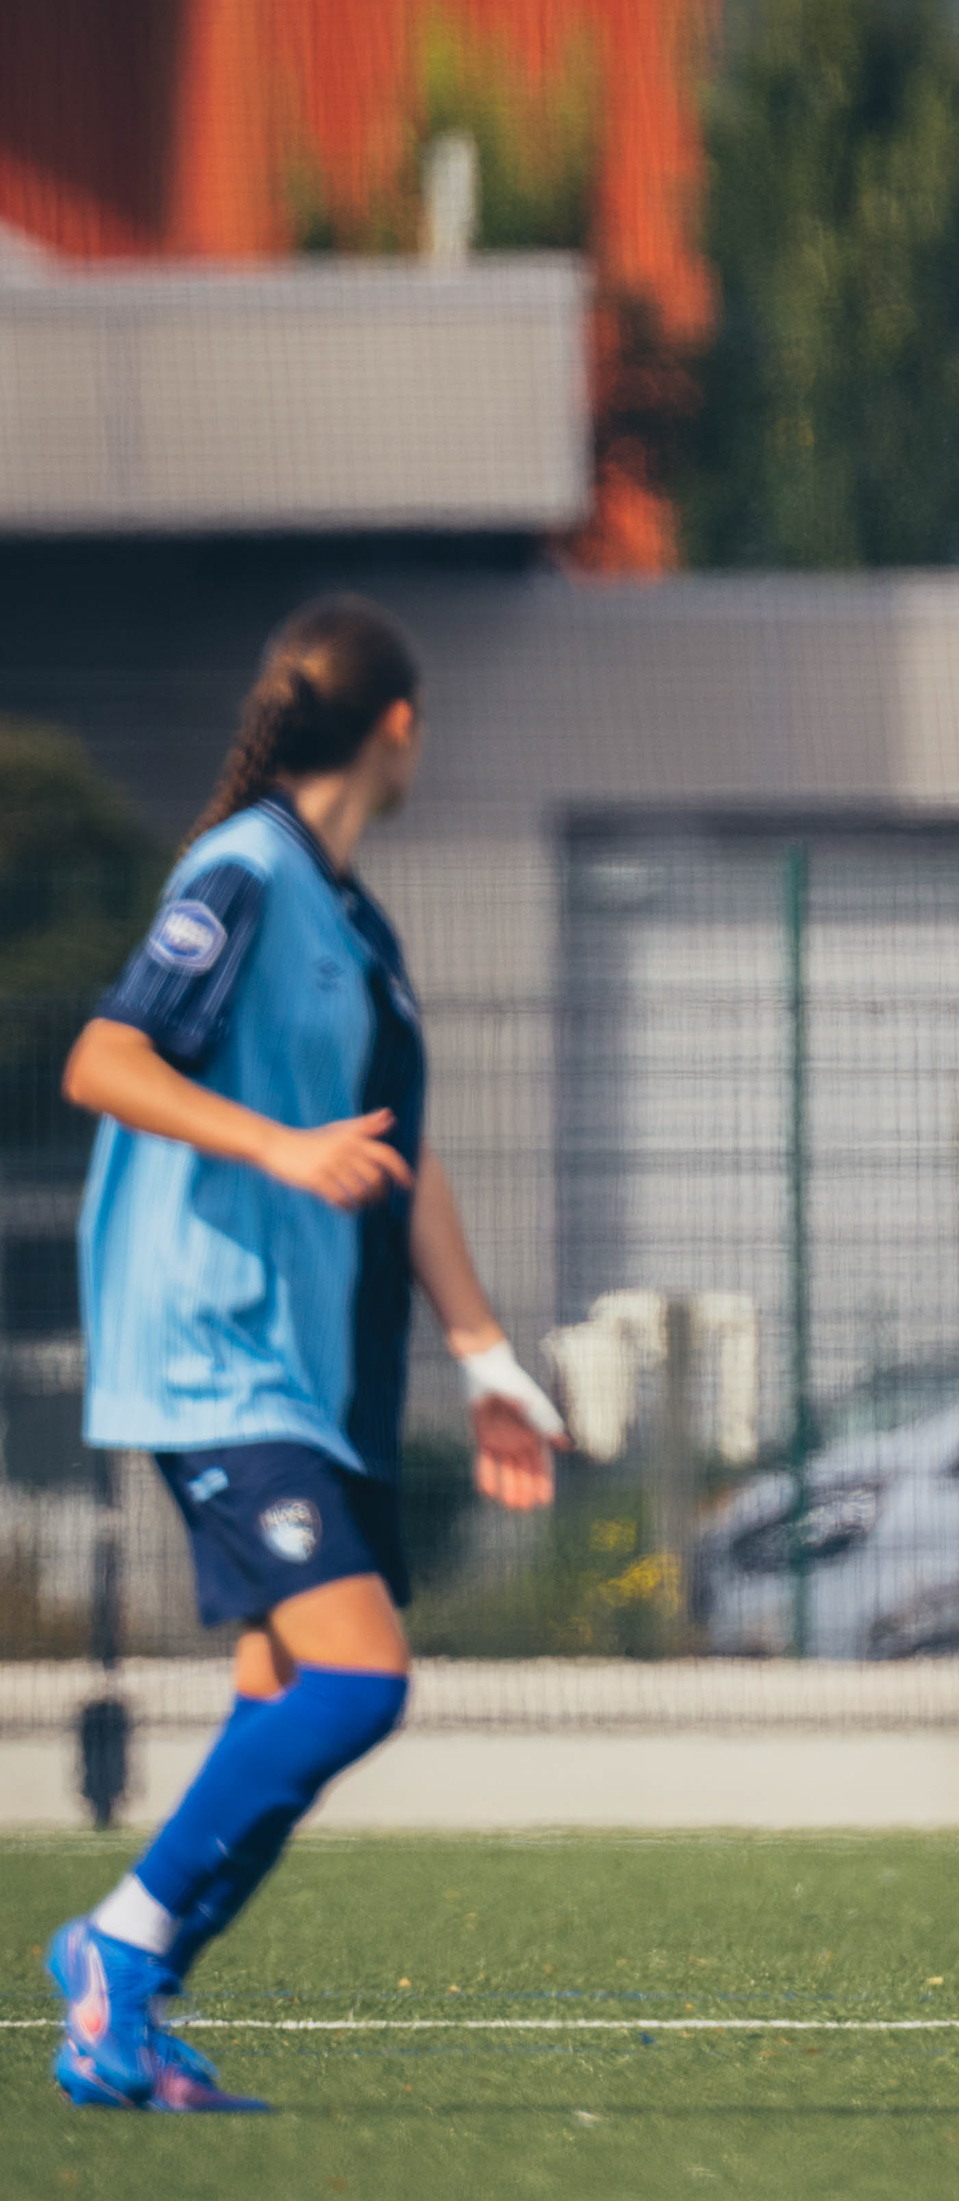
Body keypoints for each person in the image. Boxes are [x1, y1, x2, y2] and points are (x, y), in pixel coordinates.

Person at [46, 595, 567, 2110]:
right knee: (358, 1678)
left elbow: (405, 1154)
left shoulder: (355, 925)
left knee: (283, 1689)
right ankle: (117, 1946)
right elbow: (106, 1057)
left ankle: (128, 2007)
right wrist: (275, 1144)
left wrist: (485, 1354)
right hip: (206, 1346)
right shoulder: (242, 870)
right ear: (397, 727)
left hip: (295, 1368)